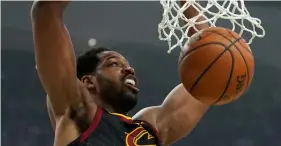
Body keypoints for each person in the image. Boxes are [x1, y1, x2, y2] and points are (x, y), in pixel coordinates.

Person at [31, 1, 210, 146]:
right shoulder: (77, 109)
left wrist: (186, 3)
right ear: (88, 81)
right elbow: (46, 10)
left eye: (128, 65)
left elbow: (209, 73)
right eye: (114, 63)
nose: (129, 69)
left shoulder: (149, 128)